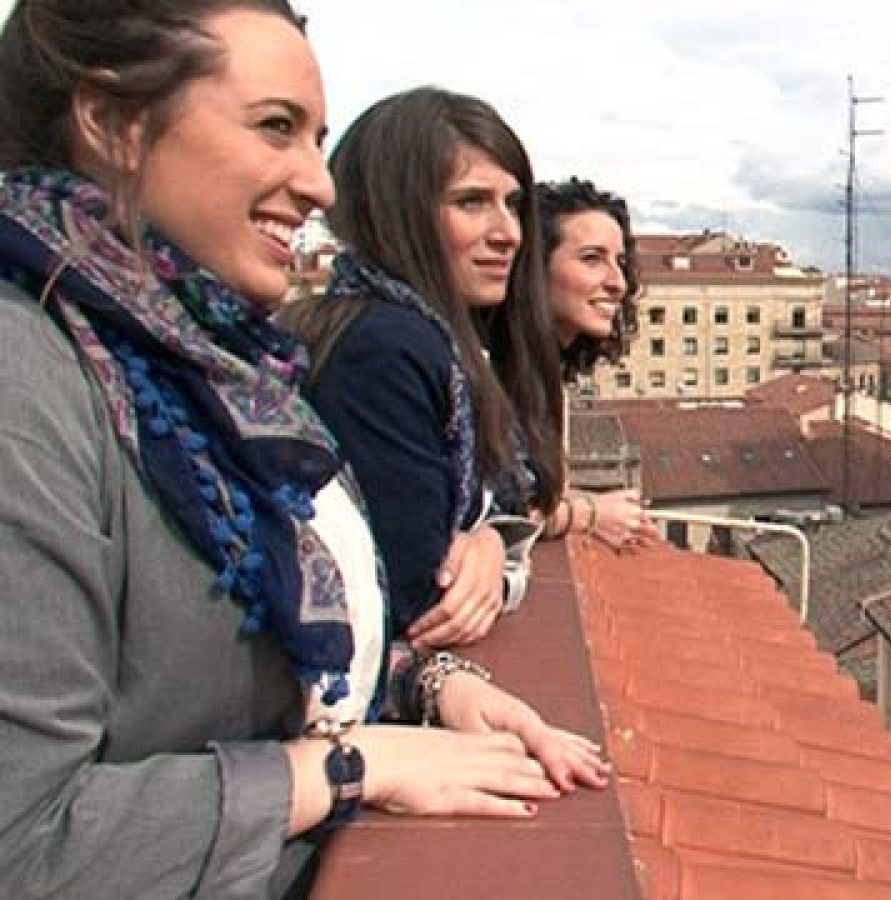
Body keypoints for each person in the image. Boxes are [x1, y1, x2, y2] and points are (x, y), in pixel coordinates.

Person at [0, 5, 605, 897]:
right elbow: (24, 840)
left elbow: (280, 658)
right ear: (114, 124)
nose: (320, 186)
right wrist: (350, 769)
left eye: (316, 138)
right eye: (275, 127)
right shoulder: (30, 383)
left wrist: (427, 684)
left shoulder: (220, 373)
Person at [280, 87, 567, 647]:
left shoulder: (422, 339)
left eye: (512, 203)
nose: (508, 232)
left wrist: (490, 541)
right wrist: (506, 564)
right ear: (398, 213)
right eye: (471, 202)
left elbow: (511, 499)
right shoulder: (386, 349)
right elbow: (425, 599)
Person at [532, 177, 654, 549]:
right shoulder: (492, 374)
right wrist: (589, 514)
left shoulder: (543, 373)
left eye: (620, 262)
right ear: (533, 267)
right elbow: (489, 512)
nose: (618, 282)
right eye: (591, 259)